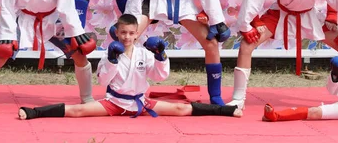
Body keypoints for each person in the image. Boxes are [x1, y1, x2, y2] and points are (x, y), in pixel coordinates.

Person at [18, 14, 241, 120]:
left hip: (142, 102)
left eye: (131, 33)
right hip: (114, 102)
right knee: (77, 111)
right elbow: (103, 82)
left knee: (181, 109)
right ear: (117, 32)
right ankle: (34, 112)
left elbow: (160, 76)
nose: (127, 37)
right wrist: (113, 61)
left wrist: (162, 56)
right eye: (123, 33)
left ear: (137, 34)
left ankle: (225, 109)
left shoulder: (145, 52)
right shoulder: (109, 53)